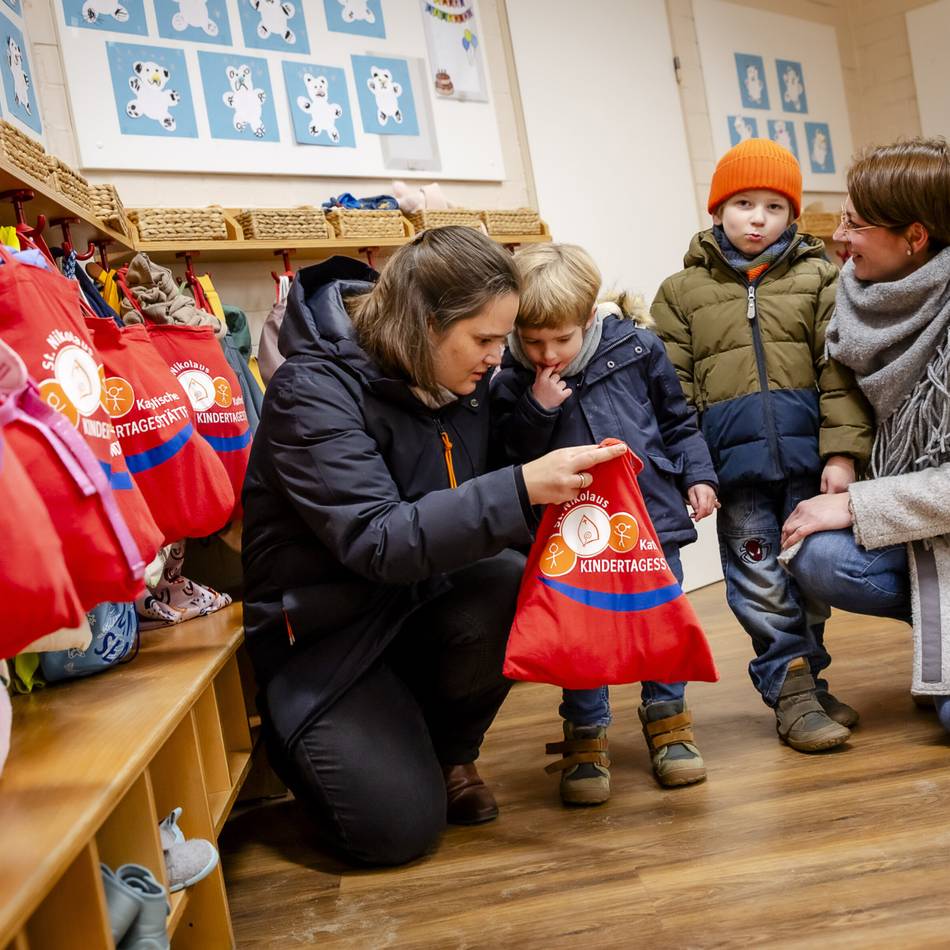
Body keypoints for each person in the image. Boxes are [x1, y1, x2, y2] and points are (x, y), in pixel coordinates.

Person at [241, 226, 626, 867]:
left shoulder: (457, 382)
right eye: (485, 339)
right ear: (423, 323)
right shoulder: (312, 391)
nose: (498, 357)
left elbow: (482, 497)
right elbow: (378, 537)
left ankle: (445, 754)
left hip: (416, 609)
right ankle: (331, 739)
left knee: (510, 582)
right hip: (327, 644)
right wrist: (524, 486)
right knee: (394, 836)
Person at [651, 138, 873, 753]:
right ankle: (789, 684)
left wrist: (841, 454)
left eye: (774, 207)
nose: (757, 218)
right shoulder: (681, 292)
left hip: (809, 464)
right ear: (717, 209)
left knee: (806, 576)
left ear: (792, 215)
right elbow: (674, 393)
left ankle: (807, 681)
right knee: (757, 575)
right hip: (736, 472)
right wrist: (693, 467)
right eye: (743, 203)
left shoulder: (821, 278)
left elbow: (840, 374)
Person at [491, 243, 718, 803]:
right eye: (532, 341)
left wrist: (698, 475)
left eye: (561, 340)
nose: (547, 354)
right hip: (570, 533)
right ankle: (586, 734)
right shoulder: (510, 379)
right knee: (579, 630)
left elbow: (676, 419)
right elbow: (508, 454)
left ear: (590, 318)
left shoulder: (639, 348)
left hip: (650, 519)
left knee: (655, 619)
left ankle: (670, 724)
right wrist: (538, 406)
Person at [781, 137, 950, 733]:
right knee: (816, 551)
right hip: (930, 537)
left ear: (914, 238)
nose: (839, 238)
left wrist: (854, 504)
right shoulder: (851, 298)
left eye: (855, 224)